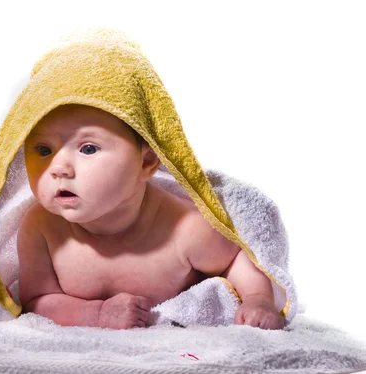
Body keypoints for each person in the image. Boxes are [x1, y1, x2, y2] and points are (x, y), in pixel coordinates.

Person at [17, 103, 284, 330]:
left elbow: (235, 258)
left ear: (145, 162)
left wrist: (258, 298)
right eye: (43, 150)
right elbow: (38, 299)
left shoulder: (184, 229)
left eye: (88, 148)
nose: (59, 168)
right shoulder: (41, 227)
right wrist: (96, 314)